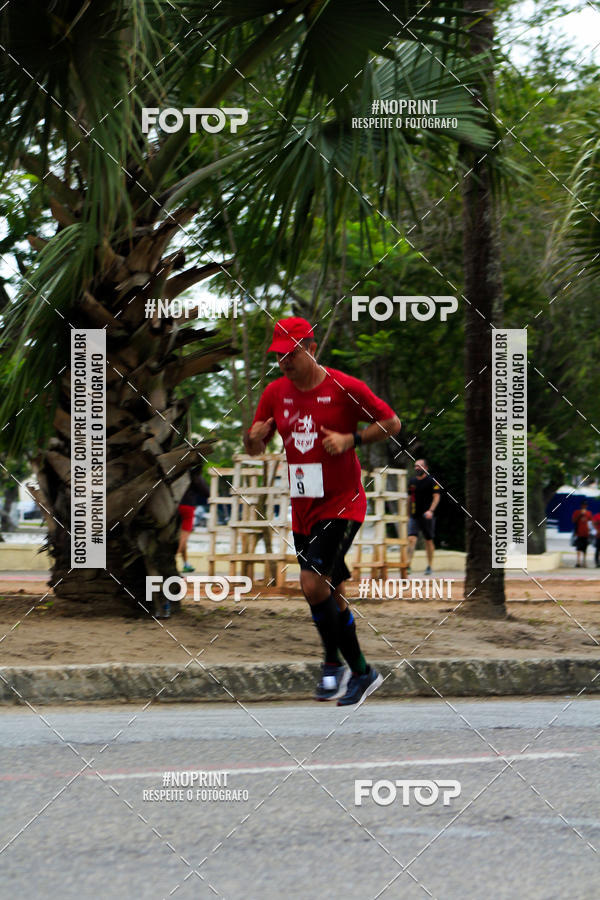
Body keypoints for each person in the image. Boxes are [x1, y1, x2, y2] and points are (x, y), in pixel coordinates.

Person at [244, 317, 400, 706]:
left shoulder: (346, 387)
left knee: (312, 583)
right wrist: (253, 440)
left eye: (291, 354)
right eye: (279, 356)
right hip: (304, 506)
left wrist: (353, 438)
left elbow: (392, 422)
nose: (284, 362)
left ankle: (362, 672)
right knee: (332, 590)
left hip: (344, 503)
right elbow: (253, 447)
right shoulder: (275, 393)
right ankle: (333, 664)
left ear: (311, 349)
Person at [406, 459, 440, 575]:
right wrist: (407, 514)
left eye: (419, 466)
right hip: (414, 516)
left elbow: (436, 497)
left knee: (428, 540)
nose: (417, 468)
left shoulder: (432, 481)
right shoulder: (412, 481)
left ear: (426, 467)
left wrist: (431, 511)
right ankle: (408, 565)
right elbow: (409, 498)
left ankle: (429, 565)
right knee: (411, 539)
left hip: (427, 516)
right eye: (415, 466)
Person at [177, 468, 210, 573]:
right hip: (187, 506)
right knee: (184, 537)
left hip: (174, 506)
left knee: (179, 537)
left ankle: (186, 564)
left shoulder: (176, 471)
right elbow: (206, 491)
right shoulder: (193, 473)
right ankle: (169, 559)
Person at [572, 499, 593, 568]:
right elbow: (574, 521)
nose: (584, 506)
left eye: (585, 505)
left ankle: (584, 562)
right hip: (579, 532)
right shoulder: (577, 512)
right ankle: (578, 562)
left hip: (586, 533)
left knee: (585, 548)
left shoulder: (589, 513)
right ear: (581, 505)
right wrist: (580, 514)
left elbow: (590, 522)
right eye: (583, 505)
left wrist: (590, 532)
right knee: (578, 548)